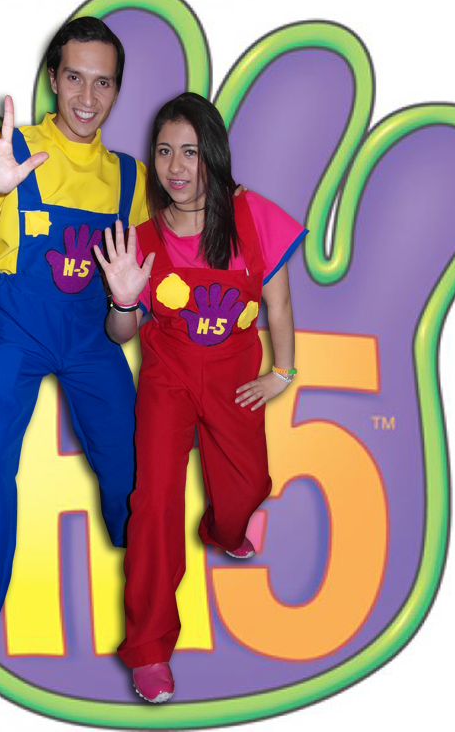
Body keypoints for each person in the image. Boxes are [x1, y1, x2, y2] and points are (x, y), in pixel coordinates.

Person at [0, 17, 149, 712]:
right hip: (17, 334)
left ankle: (136, 559)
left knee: (134, 468)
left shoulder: (131, 180)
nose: (87, 96)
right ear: (53, 78)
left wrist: (129, 306)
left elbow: (135, 299)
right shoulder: (10, 150)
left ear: (117, 91)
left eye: (103, 82)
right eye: (74, 76)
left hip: (92, 339)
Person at [96, 92, 307, 703]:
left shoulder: (254, 215)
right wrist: (123, 300)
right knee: (153, 504)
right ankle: (148, 647)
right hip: (168, 378)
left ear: (213, 154)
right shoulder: (139, 238)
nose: (176, 166)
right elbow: (120, 334)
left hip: (235, 376)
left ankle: (222, 528)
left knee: (248, 488)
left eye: (189, 151)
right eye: (164, 151)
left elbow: (278, 304)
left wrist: (282, 372)